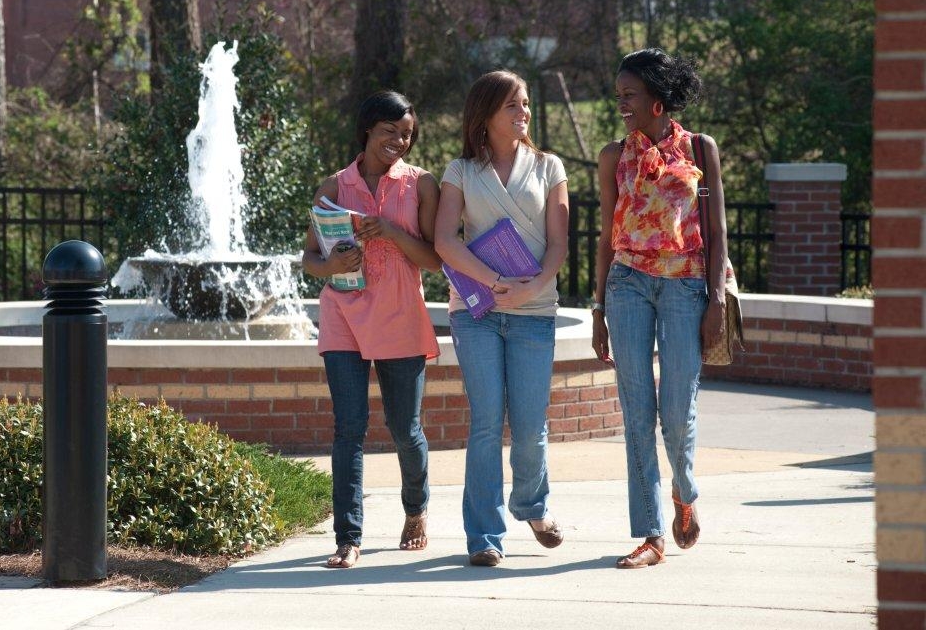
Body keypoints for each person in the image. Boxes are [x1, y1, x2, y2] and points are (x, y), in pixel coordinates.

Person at [591, 48, 728, 569]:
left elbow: (716, 231)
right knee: (636, 410)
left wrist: (715, 298)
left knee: (676, 409)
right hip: (627, 283)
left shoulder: (698, 147)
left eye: (629, 94)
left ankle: (685, 492)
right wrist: (600, 305)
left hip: (685, 286)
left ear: (656, 99)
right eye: (619, 94)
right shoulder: (613, 156)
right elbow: (607, 235)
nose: (620, 102)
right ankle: (650, 534)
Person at [302, 90, 442, 569]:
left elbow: (436, 260)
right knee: (349, 429)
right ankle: (348, 537)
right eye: (390, 132)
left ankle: (416, 508)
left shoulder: (421, 185)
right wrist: (333, 261)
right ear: (367, 130)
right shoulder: (333, 187)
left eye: (406, 134)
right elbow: (310, 261)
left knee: (405, 430)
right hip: (343, 317)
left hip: (401, 316)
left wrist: (392, 233)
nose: (399, 142)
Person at [435, 70, 569, 567]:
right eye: (513, 106)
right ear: (486, 114)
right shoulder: (459, 172)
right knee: (487, 423)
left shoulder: (550, 166)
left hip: (534, 312)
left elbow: (558, 243)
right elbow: (445, 240)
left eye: (526, 104)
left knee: (531, 425)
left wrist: (532, 287)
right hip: (477, 313)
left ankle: (533, 507)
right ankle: (484, 536)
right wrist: (494, 283)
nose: (524, 113)